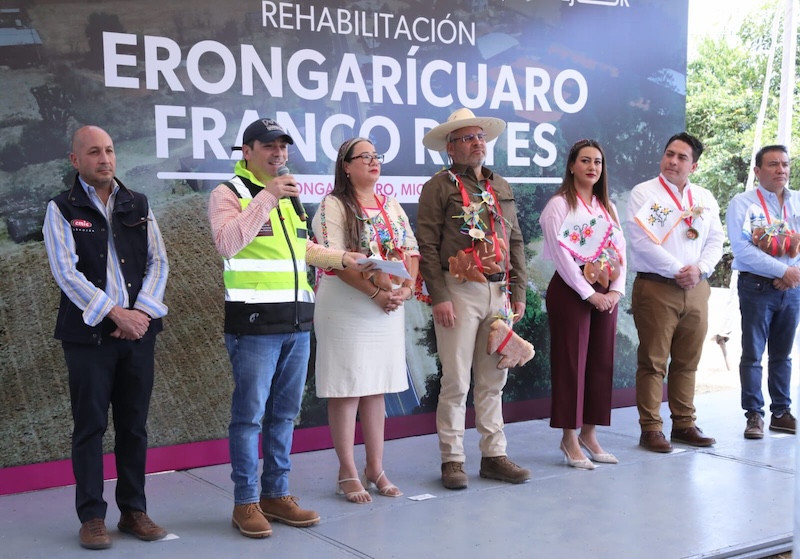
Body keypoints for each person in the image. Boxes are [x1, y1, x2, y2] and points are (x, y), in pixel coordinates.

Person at [207, 119, 373, 537]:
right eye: (268, 146)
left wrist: (343, 258)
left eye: (282, 146)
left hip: (297, 323)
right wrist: (267, 197)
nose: (278, 153)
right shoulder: (229, 193)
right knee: (249, 418)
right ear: (247, 151)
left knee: (284, 415)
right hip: (254, 324)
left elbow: (302, 249)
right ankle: (245, 502)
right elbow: (227, 243)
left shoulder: (288, 197)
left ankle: (276, 495)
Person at [42, 125, 169, 550]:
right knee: (90, 427)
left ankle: (134, 511)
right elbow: (66, 273)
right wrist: (115, 313)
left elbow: (158, 262)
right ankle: (93, 518)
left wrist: (141, 314)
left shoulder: (138, 203)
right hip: (88, 339)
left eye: (110, 150)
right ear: (75, 160)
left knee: (134, 426)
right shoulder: (61, 208)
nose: (105, 159)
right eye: (94, 152)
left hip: (138, 334)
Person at [417, 108, 530, 489]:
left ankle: (494, 455)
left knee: (493, 378)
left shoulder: (500, 185)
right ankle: (452, 459)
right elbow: (427, 245)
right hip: (459, 289)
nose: (478, 143)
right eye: (468, 138)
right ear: (450, 148)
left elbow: (515, 241)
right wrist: (440, 296)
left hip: (498, 291)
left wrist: (518, 292)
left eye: (480, 136)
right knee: (455, 380)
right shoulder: (438, 186)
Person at [312, 137, 420, 503]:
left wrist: (407, 289)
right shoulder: (332, 205)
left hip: (387, 306)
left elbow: (411, 250)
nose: (374, 162)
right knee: (347, 388)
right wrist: (376, 293)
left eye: (377, 156)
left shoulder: (390, 204)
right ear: (346, 166)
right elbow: (335, 259)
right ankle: (347, 471)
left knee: (376, 387)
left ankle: (375, 468)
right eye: (365, 157)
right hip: (347, 306)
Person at [626, 132, 724, 453]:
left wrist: (700, 270)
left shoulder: (704, 197)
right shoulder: (645, 193)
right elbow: (642, 242)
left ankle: (684, 423)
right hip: (657, 286)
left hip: (697, 288)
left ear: (693, 166)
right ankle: (651, 428)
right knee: (653, 362)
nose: (673, 161)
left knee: (687, 361)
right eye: (669, 154)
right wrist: (679, 270)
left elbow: (716, 239)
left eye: (682, 157)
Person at [540, 139, 626, 469]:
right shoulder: (559, 206)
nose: (592, 167)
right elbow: (562, 258)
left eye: (598, 162)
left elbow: (620, 252)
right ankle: (569, 438)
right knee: (571, 365)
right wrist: (589, 294)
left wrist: (615, 291)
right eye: (585, 160)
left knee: (601, 363)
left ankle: (590, 434)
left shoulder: (607, 207)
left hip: (606, 292)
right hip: (571, 291)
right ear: (572, 166)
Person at [726, 144, 800, 439]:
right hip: (756, 286)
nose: (781, 169)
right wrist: (782, 271)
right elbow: (742, 248)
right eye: (773, 164)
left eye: (785, 164)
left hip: (792, 288)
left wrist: (792, 275)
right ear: (757, 171)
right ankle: (754, 414)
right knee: (753, 353)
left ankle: (781, 412)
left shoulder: (797, 200)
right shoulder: (743, 203)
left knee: (783, 354)